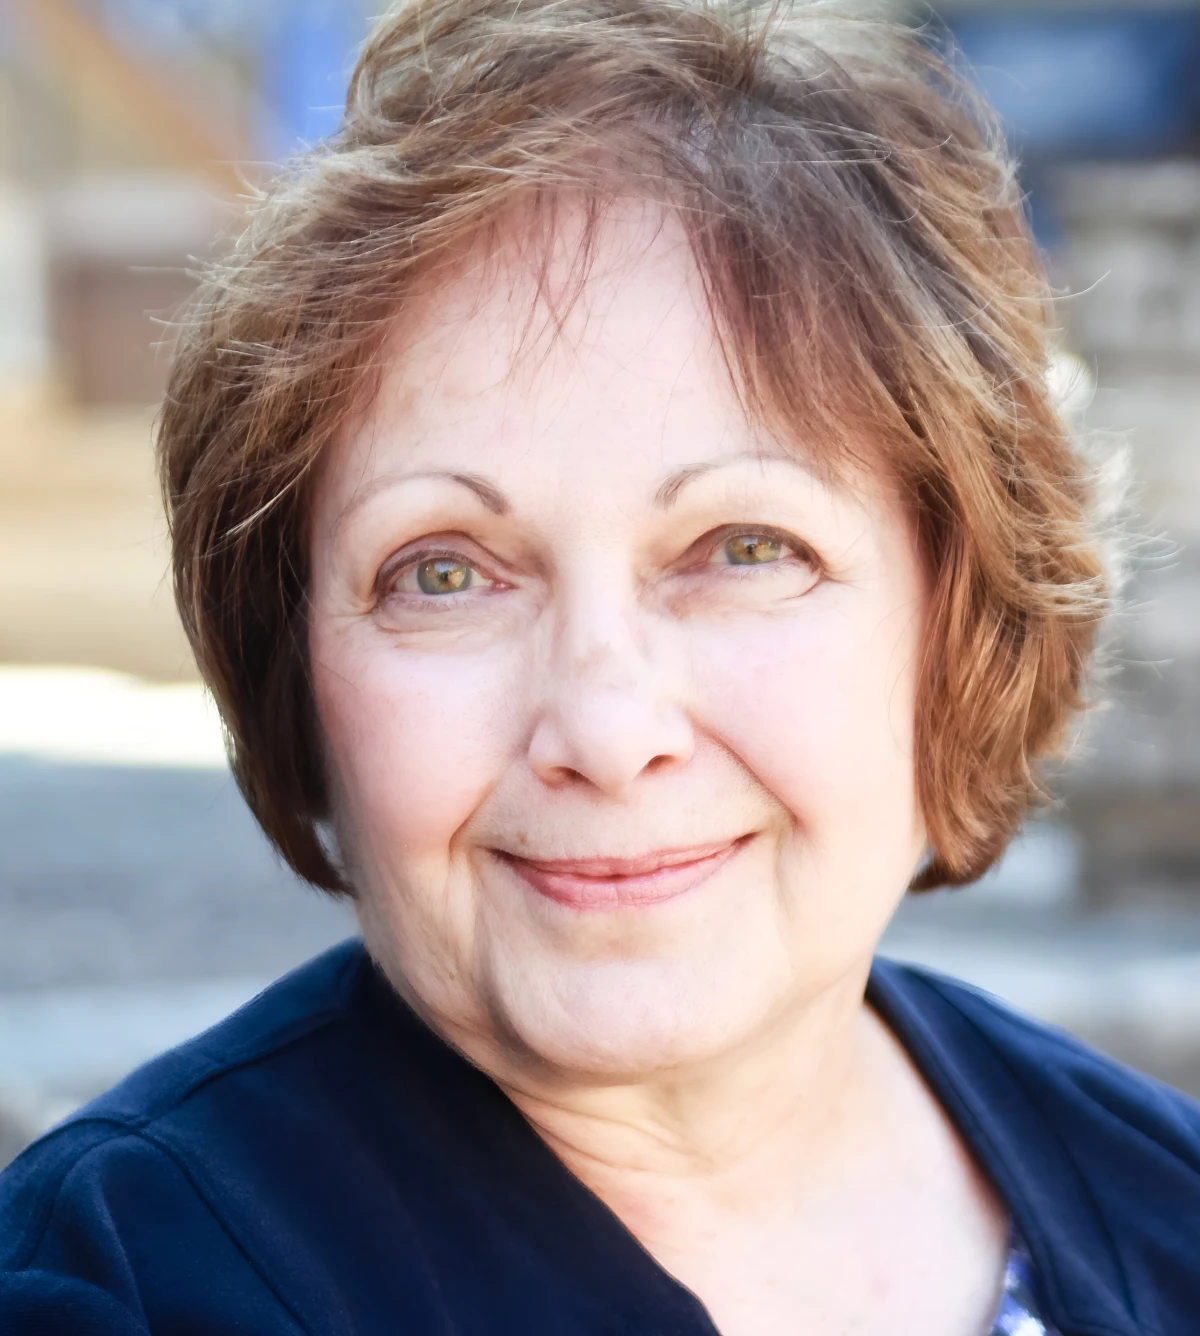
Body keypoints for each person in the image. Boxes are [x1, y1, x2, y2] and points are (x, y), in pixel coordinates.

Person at [2, 0, 1197, 1332]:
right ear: (300, 683)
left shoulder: (1169, 1206)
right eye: (443, 573)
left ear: (959, 621)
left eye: (745, 547)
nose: (609, 726)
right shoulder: (128, 1283)